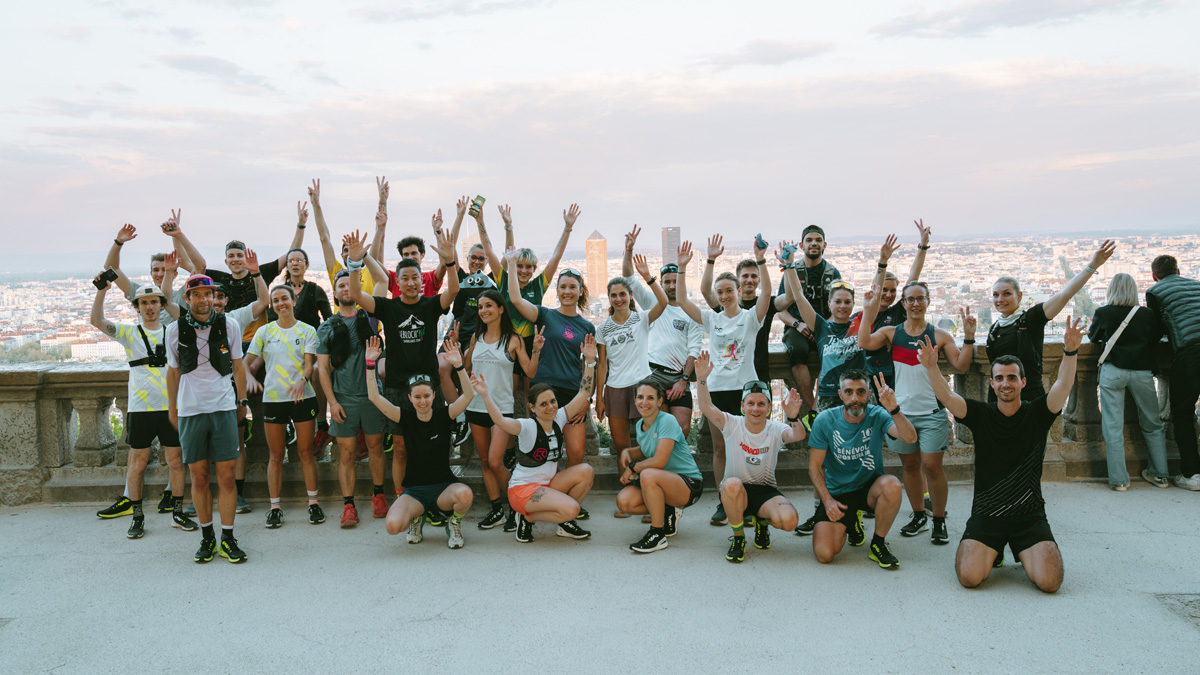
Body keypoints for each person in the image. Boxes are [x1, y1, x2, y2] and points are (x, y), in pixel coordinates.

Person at [917, 317, 1087, 593]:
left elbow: (1063, 387)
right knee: (970, 578)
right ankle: (995, 550)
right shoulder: (982, 415)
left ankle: (1020, 549)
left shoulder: (1037, 413)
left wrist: (1070, 351)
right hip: (987, 515)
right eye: (999, 378)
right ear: (992, 384)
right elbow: (948, 397)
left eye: (1011, 378)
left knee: (1049, 583)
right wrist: (931, 366)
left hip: (1029, 516)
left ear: (1022, 382)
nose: (1005, 383)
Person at [345, 228, 458, 506]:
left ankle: (433, 496)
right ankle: (403, 498)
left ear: (422, 281)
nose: (410, 282)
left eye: (415, 277)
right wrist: (355, 264)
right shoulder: (388, 307)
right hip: (397, 386)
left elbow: (453, 290)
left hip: (428, 387)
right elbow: (358, 295)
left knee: (432, 446)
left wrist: (451, 262)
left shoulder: (431, 305)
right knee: (399, 449)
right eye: (404, 278)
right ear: (399, 282)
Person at [858, 279, 975, 545]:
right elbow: (864, 341)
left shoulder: (940, 336)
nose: (915, 304)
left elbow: (962, 366)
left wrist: (968, 337)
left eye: (920, 298)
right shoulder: (892, 333)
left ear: (928, 301)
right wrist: (867, 309)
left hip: (932, 412)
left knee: (932, 467)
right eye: (910, 299)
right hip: (901, 414)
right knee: (909, 466)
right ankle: (919, 514)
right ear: (904, 303)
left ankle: (939, 520)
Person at [677, 240, 774, 527]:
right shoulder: (711, 318)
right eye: (720, 292)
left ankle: (747, 498)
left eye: (729, 290)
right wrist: (682, 268)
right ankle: (724, 499)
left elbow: (767, 292)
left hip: (745, 390)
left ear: (738, 291)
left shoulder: (751, 317)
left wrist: (761, 261)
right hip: (717, 389)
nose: (725, 295)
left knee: (746, 447)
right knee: (720, 448)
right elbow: (683, 301)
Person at [91, 275, 196, 538]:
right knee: (137, 464)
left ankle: (178, 513)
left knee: (175, 462)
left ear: (161, 305)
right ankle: (137, 516)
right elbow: (97, 322)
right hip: (140, 409)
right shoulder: (129, 333)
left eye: (154, 302)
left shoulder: (172, 331)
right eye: (144, 303)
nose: (149, 307)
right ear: (137, 307)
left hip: (170, 407)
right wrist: (102, 292)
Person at [469, 335, 598, 543]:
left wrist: (590, 362)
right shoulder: (528, 426)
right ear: (532, 408)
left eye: (553, 401)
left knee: (586, 471)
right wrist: (485, 395)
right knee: (572, 509)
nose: (550, 407)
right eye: (543, 404)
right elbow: (500, 422)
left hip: (548, 485)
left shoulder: (560, 416)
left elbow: (583, 392)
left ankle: (564, 523)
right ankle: (526, 519)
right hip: (523, 490)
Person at [779, 247, 867, 536]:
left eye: (847, 302)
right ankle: (821, 510)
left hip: (856, 399)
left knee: (854, 457)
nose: (842, 306)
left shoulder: (861, 325)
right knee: (823, 457)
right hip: (829, 399)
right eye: (838, 301)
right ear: (829, 303)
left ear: (853, 304)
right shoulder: (822, 327)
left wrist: (880, 264)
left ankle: (852, 514)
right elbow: (800, 300)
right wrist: (789, 266)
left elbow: (880, 303)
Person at [166, 274, 250, 564]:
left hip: (223, 405)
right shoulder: (174, 330)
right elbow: (173, 371)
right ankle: (206, 537)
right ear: (187, 299)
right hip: (190, 409)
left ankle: (227, 537)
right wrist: (172, 408)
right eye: (197, 295)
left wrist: (242, 401)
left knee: (227, 477)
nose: (204, 300)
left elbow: (238, 366)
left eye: (208, 294)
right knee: (198, 477)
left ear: (215, 296)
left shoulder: (230, 325)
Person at [504, 218, 596, 476]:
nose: (567, 291)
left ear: (580, 291)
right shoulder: (545, 314)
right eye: (563, 287)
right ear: (557, 290)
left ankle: (568, 496)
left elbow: (589, 365)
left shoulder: (588, 326)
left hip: (571, 393)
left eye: (572, 287)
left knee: (576, 453)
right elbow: (515, 298)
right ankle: (544, 495)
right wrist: (511, 264)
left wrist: (585, 400)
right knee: (541, 451)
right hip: (543, 390)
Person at [365, 337, 476, 549]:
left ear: (434, 395)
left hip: (443, 488)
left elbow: (469, 395)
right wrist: (371, 365)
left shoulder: (445, 414)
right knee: (393, 526)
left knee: (465, 494)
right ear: (410, 398)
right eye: (417, 397)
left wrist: (459, 365)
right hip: (415, 491)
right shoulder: (404, 417)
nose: (422, 401)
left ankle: (454, 523)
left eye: (427, 395)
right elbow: (374, 397)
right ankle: (417, 518)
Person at [695, 351, 806, 563]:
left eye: (761, 404)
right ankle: (738, 538)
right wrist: (702, 379)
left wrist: (793, 416)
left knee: (790, 521)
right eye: (751, 403)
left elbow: (798, 435)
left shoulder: (775, 428)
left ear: (769, 408)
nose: (756, 408)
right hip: (736, 491)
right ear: (742, 406)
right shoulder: (732, 424)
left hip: (765, 491)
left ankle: (761, 522)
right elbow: (706, 407)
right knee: (732, 485)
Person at [807, 370, 916, 569]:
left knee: (892, 485)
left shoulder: (878, 414)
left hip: (869, 488)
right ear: (840, 395)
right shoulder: (825, 420)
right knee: (825, 554)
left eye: (861, 392)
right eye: (849, 392)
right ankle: (851, 524)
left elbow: (910, 438)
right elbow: (814, 467)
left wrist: (894, 409)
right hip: (838, 493)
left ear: (869, 394)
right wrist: (827, 501)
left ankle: (878, 543)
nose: (855, 398)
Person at [986, 240, 1115, 400]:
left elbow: (1064, 294)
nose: (1000, 299)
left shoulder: (1030, 319)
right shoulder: (995, 328)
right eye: (995, 295)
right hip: (1000, 399)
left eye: (1006, 294)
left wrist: (1092, 266)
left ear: (1019, 297)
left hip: (1028, 398)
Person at [463, 289, 542, 532]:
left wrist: (537, 349)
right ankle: (496, 508)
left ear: (500, 309)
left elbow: (529, 371)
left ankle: (516, 505)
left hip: (502, 409)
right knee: (485, 461)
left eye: (489, 306)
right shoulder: (476, 337)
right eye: (480, 307)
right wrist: (461, 350)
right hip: (476, 406)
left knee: (497, 462)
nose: (483, 310)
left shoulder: (513, 339)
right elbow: (466, 367)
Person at [171, 204, 307, 344]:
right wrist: (175, 235)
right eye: (231, 256)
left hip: (258, 341)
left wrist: (300, 226)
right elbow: (185, 262)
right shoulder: (221, 279)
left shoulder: (259, 273)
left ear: (245, 257)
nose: (235, 259)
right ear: (226, 261)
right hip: (230, 340)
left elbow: (291, 254)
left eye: (239, 255)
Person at [245, 285, 322, 528]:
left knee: (305, 453)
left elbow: (309, 365)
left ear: (294, 301)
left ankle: (313, 503)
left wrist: (303, 379)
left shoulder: (307, 330)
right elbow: (244, 364)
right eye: (276, 300)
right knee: (276, 455)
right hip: (274, 400)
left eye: (284, 299)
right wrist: (247, 378)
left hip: (303, 398)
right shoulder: (264, 332)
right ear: (272, 305)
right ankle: (275, 507)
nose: (280, 303)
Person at [317, 271, 389, 528]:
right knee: (345, 453)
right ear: (335, 293)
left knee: (375, 447)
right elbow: (323, 369)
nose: (346, 288)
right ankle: (348, 505)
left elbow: (383, 282)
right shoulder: (326, 327)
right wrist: (332, 403)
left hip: (372, 396)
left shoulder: (370, 318)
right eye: (341, 285)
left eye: (351, 284)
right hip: (344, 398)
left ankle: (379, 495)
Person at [595, 254, 668, 505]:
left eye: (622, 294)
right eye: (613, 295)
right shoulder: (602, 328)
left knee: (649, 445)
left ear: (630, 296)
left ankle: (651, 495)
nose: (618, 299)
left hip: (642, 387)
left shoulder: (642, 319)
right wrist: (599, 398)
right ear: (609, 299)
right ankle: (628, 494)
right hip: (615, 389)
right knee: (621, 446)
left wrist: (648, 278)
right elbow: (602, 365)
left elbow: (664, 301)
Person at [621, 225, 703, 439]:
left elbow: (694, 349)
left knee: (682, 430)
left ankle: (675, 471)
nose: (672, 286)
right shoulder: (652, 302)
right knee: (657, 431)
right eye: (667, 282)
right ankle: (659, 471)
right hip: (653, 374)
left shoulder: (690, 312)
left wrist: (683, 380)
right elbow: (628, 277)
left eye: (676, 281)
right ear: (662, 283)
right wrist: (628, 250)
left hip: (678, 377)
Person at [1088, 273, 1169, 490]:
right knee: (1153, 424)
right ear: (1134, 290)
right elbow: (1154, 339)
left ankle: (1120, 480)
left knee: (1113, 427)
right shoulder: (1147, 314)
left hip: (1113, 371)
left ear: (1111, 290)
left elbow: (1093, 337)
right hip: (1142, 372)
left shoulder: (1103, 313)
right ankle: (1160, 474)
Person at [616, 379, 705, 554]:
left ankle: (657, 534)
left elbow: (659, 461)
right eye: (640, 397)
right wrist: (629, 452)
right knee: (624, 502)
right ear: (634, 400)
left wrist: (633, 467)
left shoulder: (667, 420)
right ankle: (667, 510)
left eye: (650, 397)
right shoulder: (641, 424)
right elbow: (646, 448)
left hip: (688, 484)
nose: (644, 402)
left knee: (648, 474)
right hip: (663, 482)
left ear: (659, 401)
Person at [700, 234, 794, 386]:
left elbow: (790, 297)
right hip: (730, 376)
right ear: (738, 280)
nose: (749, 280)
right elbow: (705, 291)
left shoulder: (766, 304)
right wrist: (710, 260)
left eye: (753, 276)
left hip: (759, 371)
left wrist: (788, 265)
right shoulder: (727, 303)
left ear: (759, 280)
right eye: (745, 276)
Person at [480, 204, 576, 352]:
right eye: (520, 266)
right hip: (506, 342)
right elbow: (489, 252)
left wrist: (567, 228)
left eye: (528, 267)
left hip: (531, 344)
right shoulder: (504, 280)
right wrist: (480, 221)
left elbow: (556, 257)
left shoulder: (538, 285)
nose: (524, 271)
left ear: (534, 269)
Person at [854, 222, 930, 393]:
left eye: (893, 291)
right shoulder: (860, 317)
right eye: (885, 290)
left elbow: (913, 277)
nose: (888, 295)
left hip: (894, 377)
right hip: (866, 377)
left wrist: (923, 246)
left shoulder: (897, 312)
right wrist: (882, 263)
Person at [1146, 255, 1200, 490]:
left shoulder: (1155, 291)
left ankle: (1192, 474)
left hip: (1189, 354)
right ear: (1178, 271)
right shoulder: (1197, 285)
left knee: (1183, 415)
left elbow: (1156, 328)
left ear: (1154, 275)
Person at [778, 225, 842, 414]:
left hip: (825, 326)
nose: (814, 243)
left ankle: (819, 404)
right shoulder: (792, 271)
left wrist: (823, 326)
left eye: (818, 240)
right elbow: (780, 309)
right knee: (797, 352)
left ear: (824, 245)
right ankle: (813, 407)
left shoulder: (832, 273)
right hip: (798, 327)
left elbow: (839, 306)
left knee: (829, 354)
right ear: (801, 245)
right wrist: (797, 324)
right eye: (809, 240)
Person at [278, 246, 333, 454]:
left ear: (306, 265)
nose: (295, 263)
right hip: (288, 349)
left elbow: (328, 320)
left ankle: (321, 426)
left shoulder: (315, 290)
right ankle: (289, 425)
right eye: (291, 260)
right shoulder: (281, 291)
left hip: (314, 347)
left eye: (299, 260)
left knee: (318, 372)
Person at [102, 223, 182, 325]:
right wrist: (118, 242)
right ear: (151, 273)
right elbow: (111, 269)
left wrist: (176, 236)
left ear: (174, 274)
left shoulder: (181, 296)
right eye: (156, 270)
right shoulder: (142, 293)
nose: (161, 274)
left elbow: (198, 267)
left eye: (166, 270)